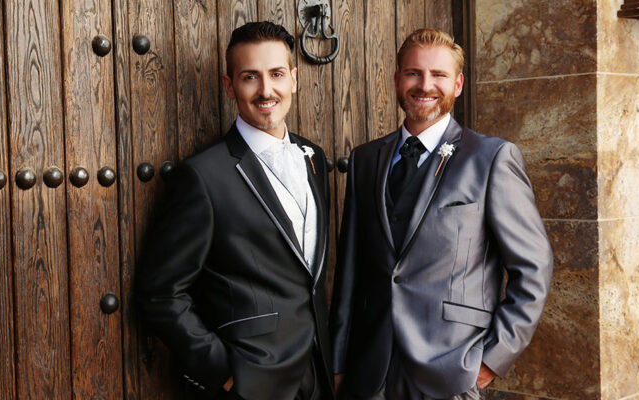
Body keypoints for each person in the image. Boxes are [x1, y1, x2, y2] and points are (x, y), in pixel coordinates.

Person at [330, 28, 553, 400]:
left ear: (458, 84)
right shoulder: (365, 160)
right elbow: (349, 273)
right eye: (414, 73)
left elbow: (534, 269)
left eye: (439, 75)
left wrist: (488, 363)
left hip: (451, 374)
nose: (425, 85)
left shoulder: (491, 158)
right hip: (368, 375)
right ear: (398, 78)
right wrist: (339, 362)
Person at [135, 21, 333, 400]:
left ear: (293, 78)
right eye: (249, 77)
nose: (266, 90)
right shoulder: (202, 176)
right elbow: (160, 293)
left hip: (318, 376)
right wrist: (226, 373)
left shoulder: (314, 158)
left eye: (276, 74)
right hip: (250, 381)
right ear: (230, 86)